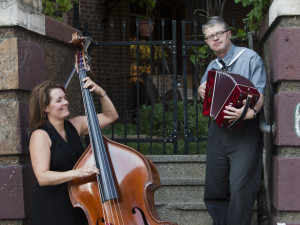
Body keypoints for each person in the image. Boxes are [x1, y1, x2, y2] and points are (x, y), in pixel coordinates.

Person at [198, 16, 266, 225]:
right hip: (218, 132)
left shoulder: (249, 58)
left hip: (244, 131)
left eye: (218, 33)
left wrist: (248, 113)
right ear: (207, 42)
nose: (215, 38)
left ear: (228, 34)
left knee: (240, 188)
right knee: (214, 188)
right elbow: (205, 95)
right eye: (210, 37)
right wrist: (202, 91)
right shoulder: (212, 66)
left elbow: (260, 94)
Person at [28, 77, 118, 225]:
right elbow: (42, 177)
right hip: (52, 205)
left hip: (78, 200)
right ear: (45, 107)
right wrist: (78, 173)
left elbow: (111, 116)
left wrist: (101, 93)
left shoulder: (76, 125)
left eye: (65, 98)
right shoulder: (40, 136)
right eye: (59, 100)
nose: (65, 102)